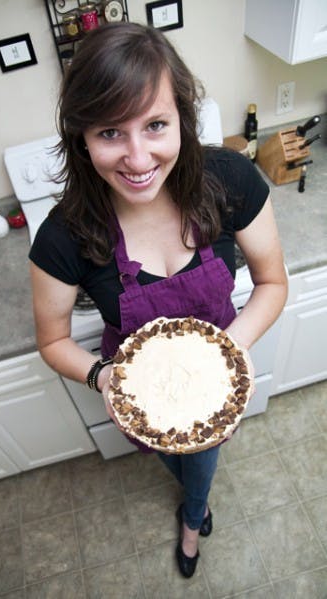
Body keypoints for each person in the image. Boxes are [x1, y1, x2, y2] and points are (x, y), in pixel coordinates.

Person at [29, 22, 288, 578]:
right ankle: (193, 495)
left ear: (183, 120)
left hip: (220, 373)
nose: (138, 157)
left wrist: (221, 355)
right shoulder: (63, 235)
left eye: (155, 125)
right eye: (110, 133)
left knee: (199, 460)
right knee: (176, 455)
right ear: (82, 137)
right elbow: (51, 340)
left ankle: (193, 521)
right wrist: (105, 377)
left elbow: (272, 283)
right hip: (139, 391)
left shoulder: (230, 180)